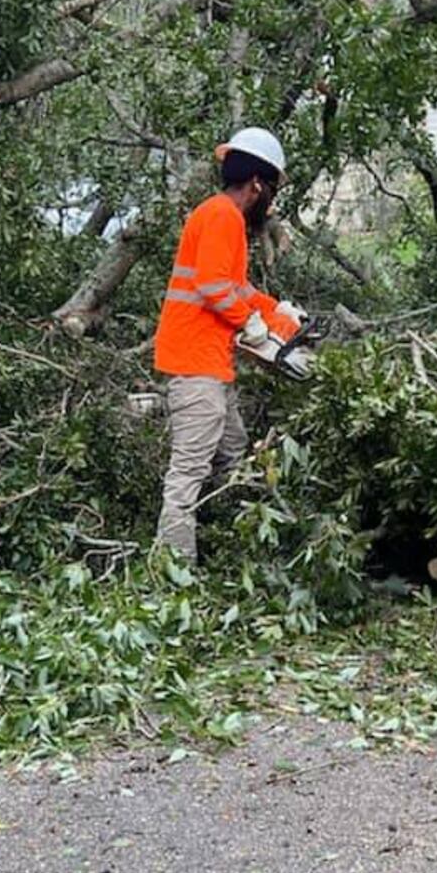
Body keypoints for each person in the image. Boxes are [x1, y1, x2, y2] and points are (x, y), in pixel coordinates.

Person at [153, 127, 301, 562]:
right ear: (258, 183)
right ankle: (172, 573)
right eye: (271, 188)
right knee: (188, 474)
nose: (270, 199)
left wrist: (280, 312)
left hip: (211, 365)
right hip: (196, 365)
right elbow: (215, 287)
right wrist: (254, 328)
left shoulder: (224, 218)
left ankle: (228, 550)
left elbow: (236, 287)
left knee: (234, 454)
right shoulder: (221, 216)